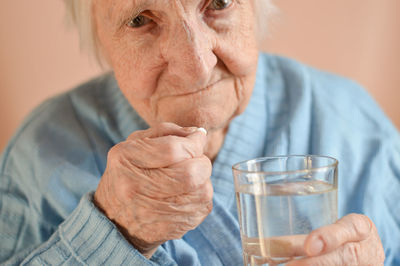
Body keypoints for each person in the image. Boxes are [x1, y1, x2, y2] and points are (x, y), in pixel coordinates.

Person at [0, 0, 398, 265]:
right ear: (100, 39)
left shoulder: (354, 126)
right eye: (140, 19)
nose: (196, 65)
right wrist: (114, 229)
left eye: (219, 1)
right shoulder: (43, 150)